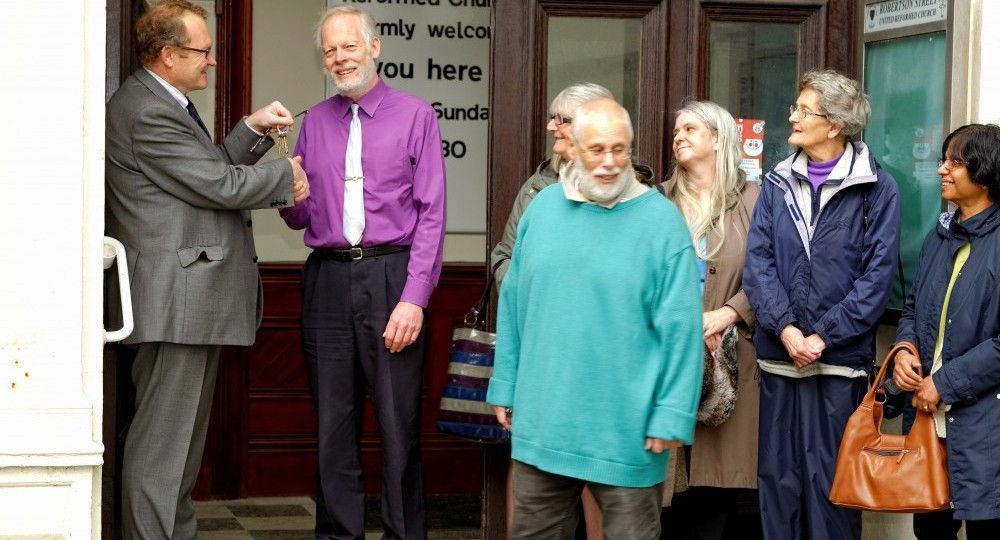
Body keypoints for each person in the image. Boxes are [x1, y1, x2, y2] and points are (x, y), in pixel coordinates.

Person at [104, 0, 309, 537]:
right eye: (204, 51)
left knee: (179, 452)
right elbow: (217, 186)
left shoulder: (159, 100)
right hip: (175, 300)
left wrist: (250, 128)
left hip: (186, 300)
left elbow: (206, 170)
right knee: (162, 453)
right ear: (168, 55)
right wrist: (283, 177)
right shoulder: (145, 108)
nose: (212, 62)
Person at [487, 98, 703, 540]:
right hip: (543, 421)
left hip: (629, 432)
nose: (608, 163)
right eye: (597, 149)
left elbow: (681, 330)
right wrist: (505, 384)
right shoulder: (542, 210)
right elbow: (513, 306)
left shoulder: (661, 222)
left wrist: (672, 411)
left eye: (620, 150)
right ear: (571, 147)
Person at [278, 6, 446, 539]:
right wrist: (289, 193)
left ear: (374, 48)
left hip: (391, 279)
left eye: (349, 46)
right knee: (333, 426)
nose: (339, 58)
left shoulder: (416, 116)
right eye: (330, 50)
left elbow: (432, 214)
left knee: (398, 428)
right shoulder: (315, 122)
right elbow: (299, 215)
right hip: (326, 280)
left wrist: (414, 298)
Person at [742, 70, 900, 540]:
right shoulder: (776, 182)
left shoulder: (878, 187)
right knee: (778, 486)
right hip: (779, 360)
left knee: (831, 489)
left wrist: (823, 336)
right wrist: (787, 330)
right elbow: (759, 264)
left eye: (803, 110)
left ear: (834, 125)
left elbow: (876, 279)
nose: (792, 116)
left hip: (839, 367)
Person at [892, 124, 1000, 540]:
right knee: (931, 530)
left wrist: (945, 382)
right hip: (926, 417)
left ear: (986, 171)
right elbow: (914, 308)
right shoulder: (940, 235)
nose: (942, 170)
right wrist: (903, 351)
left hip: (983, 422)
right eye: (944, 160)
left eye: (955, 162)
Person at [659, 101, 761, 539]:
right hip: (665, 353)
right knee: (668, 477)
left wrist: (729, 312)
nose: (678, 136)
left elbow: (778, 275)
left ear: (718, 138)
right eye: (676, 129)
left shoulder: (757, 201)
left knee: (713, 484)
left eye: (690, 129)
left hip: (728, 355)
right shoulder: (657, 201)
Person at [490, 82, 653, 283]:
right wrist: (523, 297)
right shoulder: (538, 187)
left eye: (560, 119)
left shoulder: (636, 196)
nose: (550, 126)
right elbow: (505, 255)